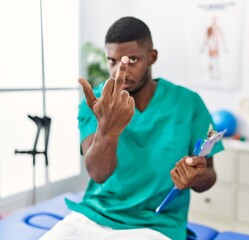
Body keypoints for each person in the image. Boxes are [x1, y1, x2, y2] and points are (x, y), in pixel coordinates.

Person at [40, 16, 223, 240]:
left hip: (155, 224)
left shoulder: (188, 103)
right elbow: (98, 174)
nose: (120, 72)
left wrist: (197, 176)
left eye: (132, 60)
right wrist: (107, 132)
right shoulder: (96, 102)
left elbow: (209, 178)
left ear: (152, 57)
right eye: (112, 61)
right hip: (94, 215)